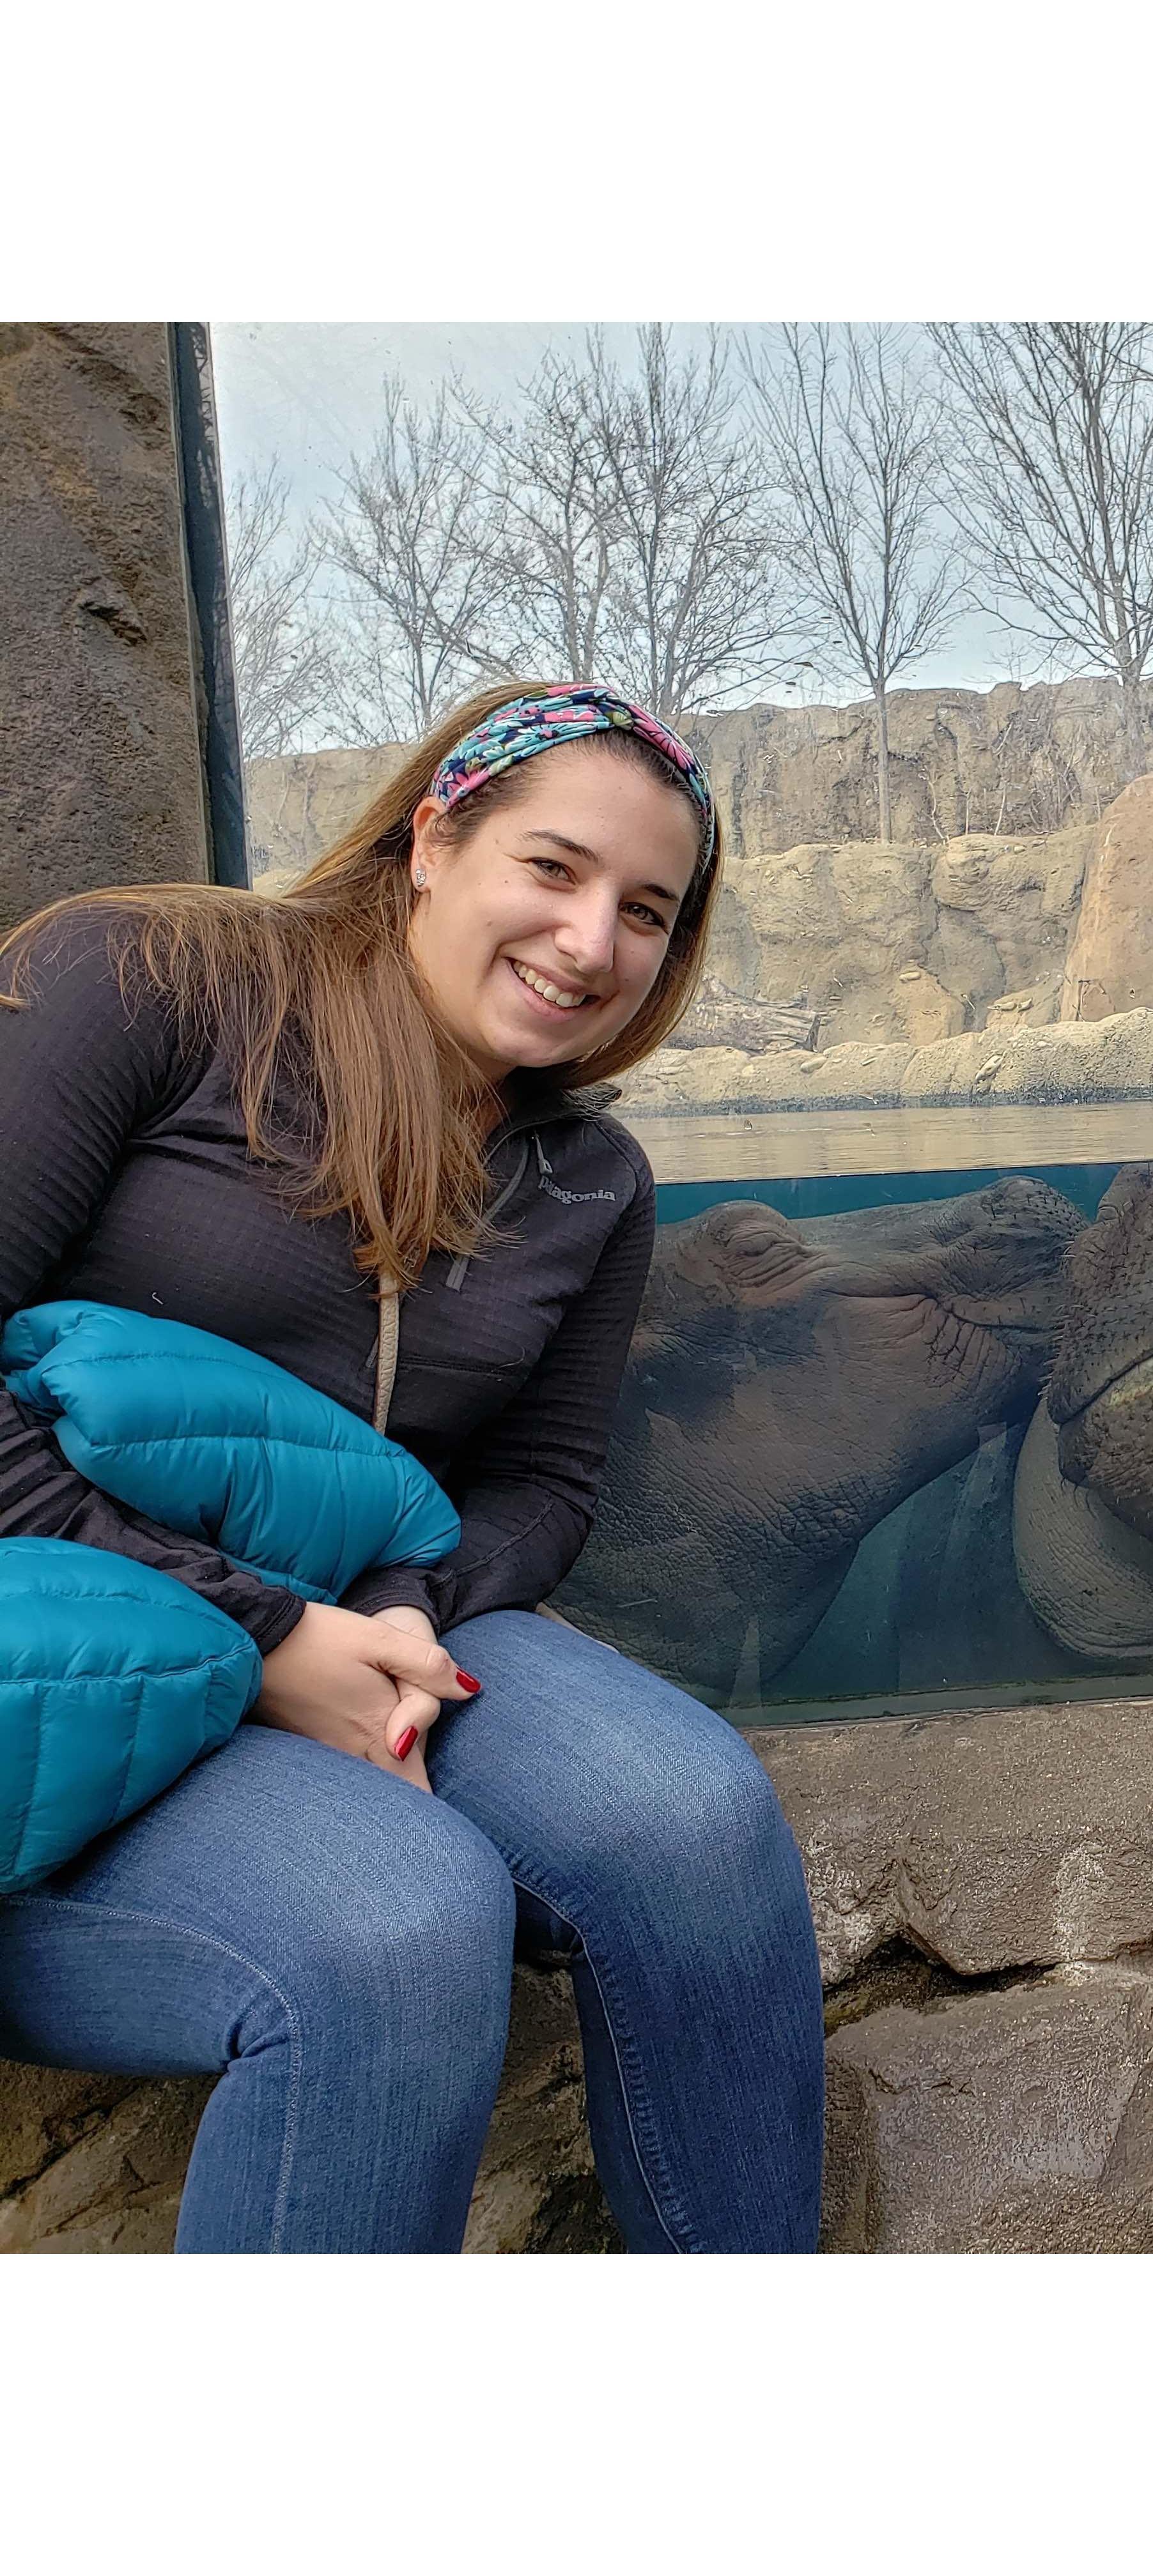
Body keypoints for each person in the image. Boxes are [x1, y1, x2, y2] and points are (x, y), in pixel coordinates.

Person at [0, 682, 825, 2252]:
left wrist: (392, 1614)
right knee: (392, 1928)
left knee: (695, 1818)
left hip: (350, 1622)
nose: (594, 943)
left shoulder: (592, 1177)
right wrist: (265, 1641)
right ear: (435, 836)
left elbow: (549, 1489)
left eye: (647, 912)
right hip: (56, 1645)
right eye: (555, 869)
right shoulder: (145, 977)